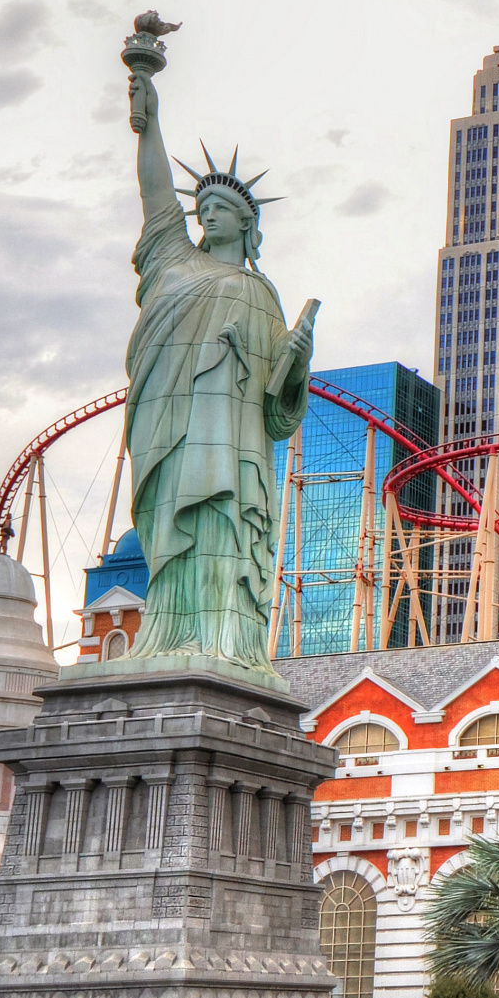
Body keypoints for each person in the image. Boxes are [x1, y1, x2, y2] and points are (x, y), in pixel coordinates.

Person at [124, 70, 313, 674]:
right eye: (202, 207)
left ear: (247, 224)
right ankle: (170, 636)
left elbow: (277, 409)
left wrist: (298, 357)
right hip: (171, 428)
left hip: (235, 446)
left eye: (222, 209)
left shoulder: (262, 294)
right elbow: (156, 194)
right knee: (173, 531)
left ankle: (226, 639)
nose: (208, 216)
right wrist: (149, 119)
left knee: (225, 532)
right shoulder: (175, 262)